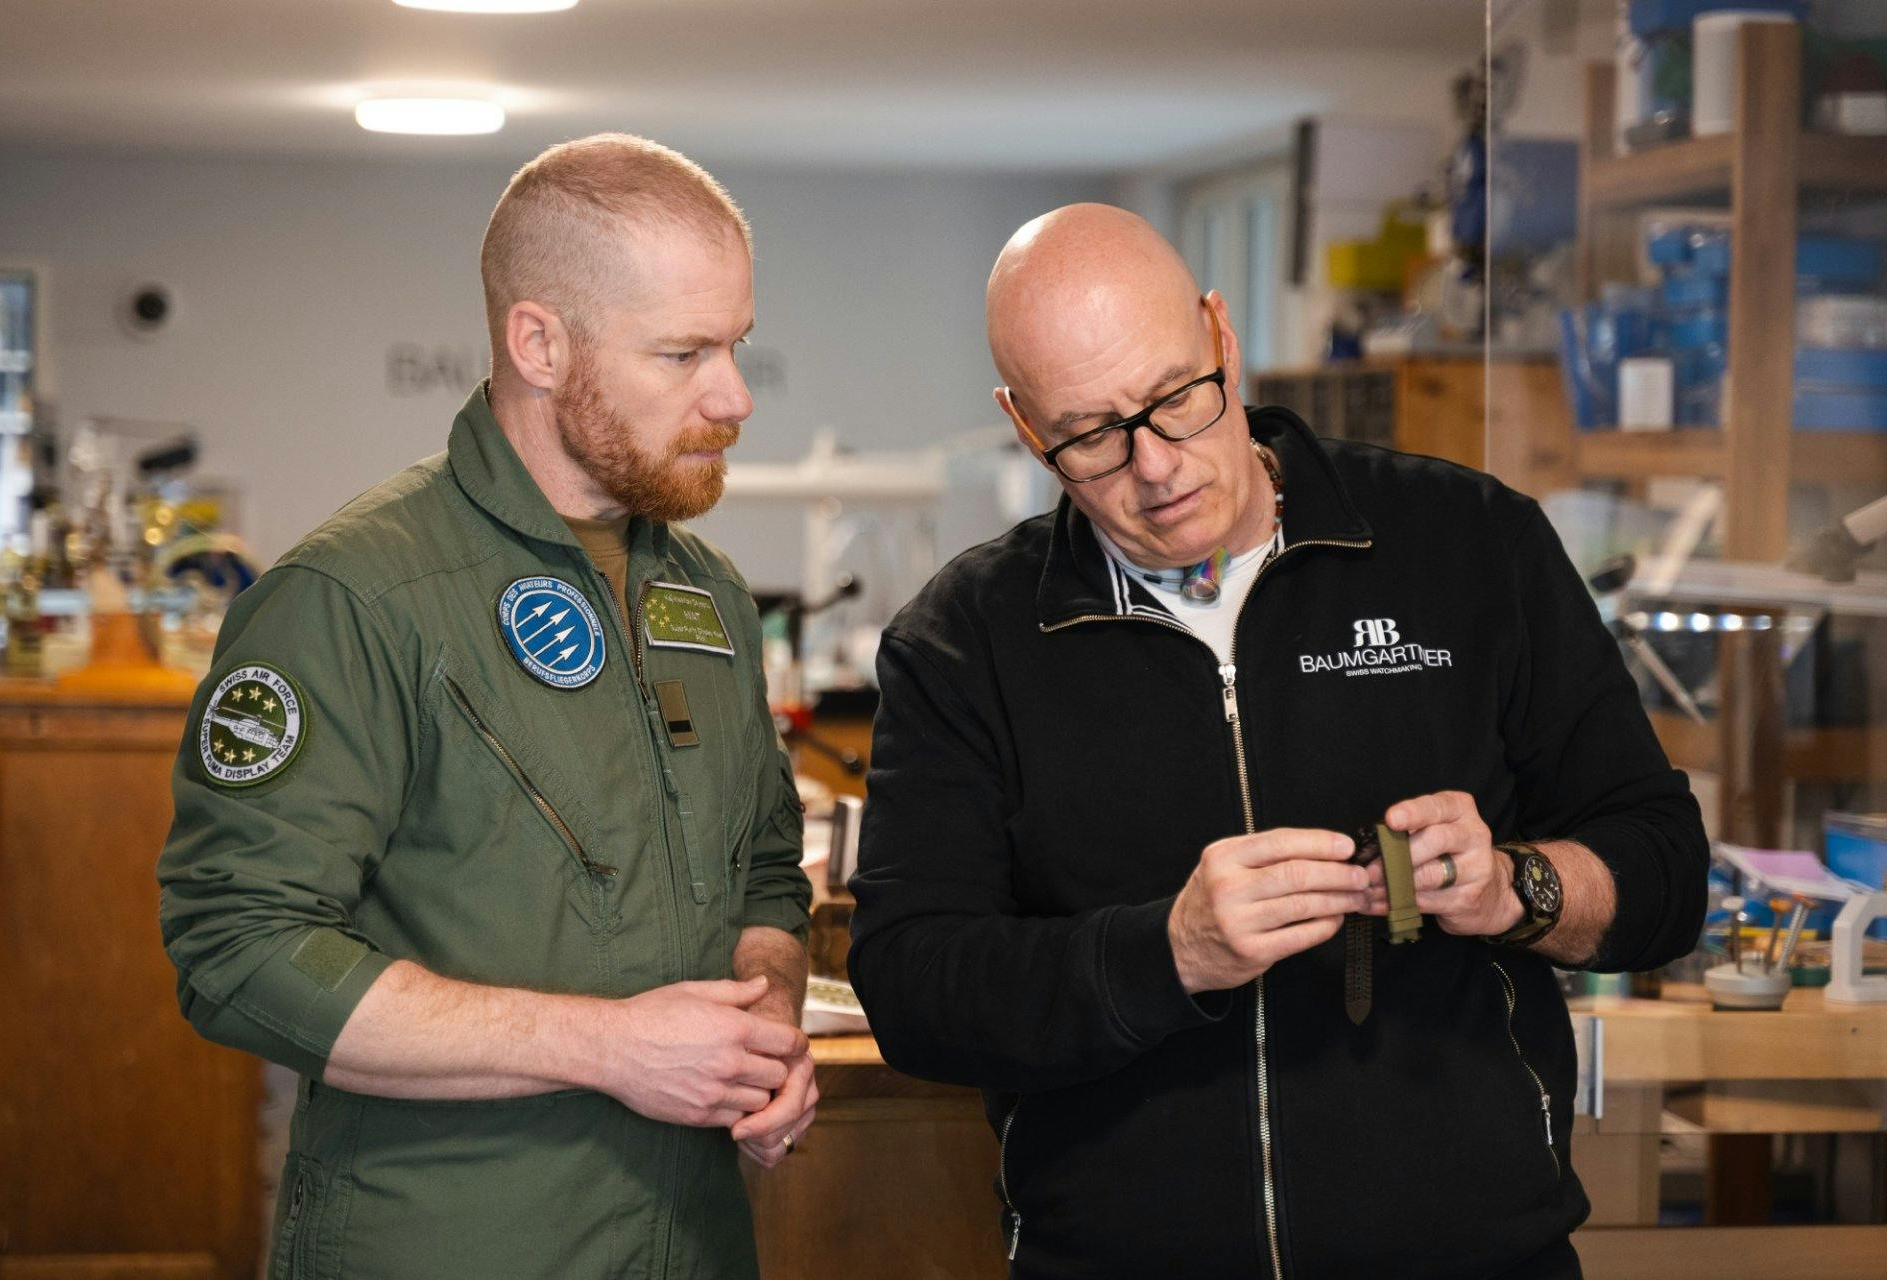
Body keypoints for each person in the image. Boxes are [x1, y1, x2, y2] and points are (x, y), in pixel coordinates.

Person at [847, 204, 1707, 1279]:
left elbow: (1666, 868)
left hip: (1474, 1253)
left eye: (1175, 399)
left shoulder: (1467, 545)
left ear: (1221, 335)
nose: (1154, 466)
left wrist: (1516, 889)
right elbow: (912, 984)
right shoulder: (967, 637)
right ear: (1026, 428)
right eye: (1090, 436)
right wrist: (1167, 952)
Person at [156, 133, 816, 1279]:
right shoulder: (353, 595)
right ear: (540, 343)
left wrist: (762, 1021)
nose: (735, 395)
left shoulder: (700, 592)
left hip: (691, 1238)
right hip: (449, 1235)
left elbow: (763, 868)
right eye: (683, 352)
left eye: (736, 345)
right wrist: (606, 1046)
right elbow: (236, 948)